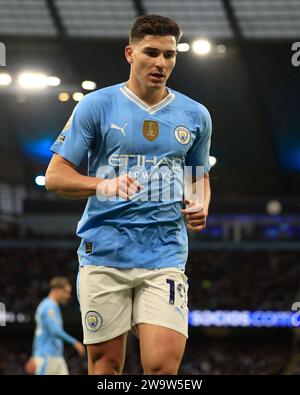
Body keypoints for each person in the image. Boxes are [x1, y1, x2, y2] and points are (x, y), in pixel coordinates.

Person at [45, 14, 212, 375]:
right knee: (106, 366)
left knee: (162, 368)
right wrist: (101, 184)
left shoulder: (196, 114)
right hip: (105, 252)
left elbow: (199, 175)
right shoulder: (96, 105)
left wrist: (201, 203)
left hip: (165, 252)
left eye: (169, 55)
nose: (161, 63)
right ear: (129, 54)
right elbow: (55, 177)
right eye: (151, 53)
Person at [25, 276, 85, 375]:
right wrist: (75, 343)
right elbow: (54, 330)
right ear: (57, 290)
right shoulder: (48, 306)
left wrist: (35, 355)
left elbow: (40, 334)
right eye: (66, 292)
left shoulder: (50, 306)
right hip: (47, 358)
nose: (68, 296)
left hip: (55, 357)